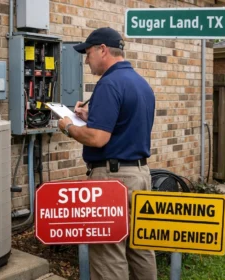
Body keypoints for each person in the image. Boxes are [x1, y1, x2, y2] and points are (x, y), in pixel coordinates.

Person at [58, 27, 157, 280]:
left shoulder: (109, 83)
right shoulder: (139, 82)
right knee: (141, 248)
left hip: (112, 178)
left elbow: (98, 139)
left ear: (103, 49)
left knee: (107, 251)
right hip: (140, 174)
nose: (86, 59)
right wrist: (91, 117)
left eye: (88, 52)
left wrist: (68, 126)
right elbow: (124, 123)